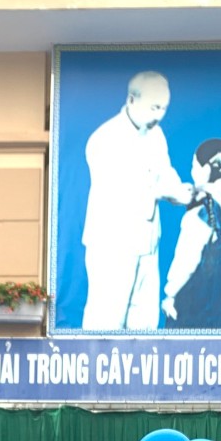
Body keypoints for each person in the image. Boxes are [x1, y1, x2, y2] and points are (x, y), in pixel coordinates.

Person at [80, 70, 197, 332]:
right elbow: (118, 189)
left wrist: (180, 191)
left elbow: (164, 171)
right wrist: (165, 191)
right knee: (107, 320)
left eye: (164, 108)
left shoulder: (156, 135)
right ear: (132, 99)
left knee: (144, 322)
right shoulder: (105, 138)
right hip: (113, 243)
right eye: (155, 107)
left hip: (147, 243)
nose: (160, 115)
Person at [161, 139, 221, 330]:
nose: (192, 172)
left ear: (206, 169)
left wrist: (170, 295)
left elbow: (187, 259)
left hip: (196, 301)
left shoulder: (202, 208)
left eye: (194, 166)